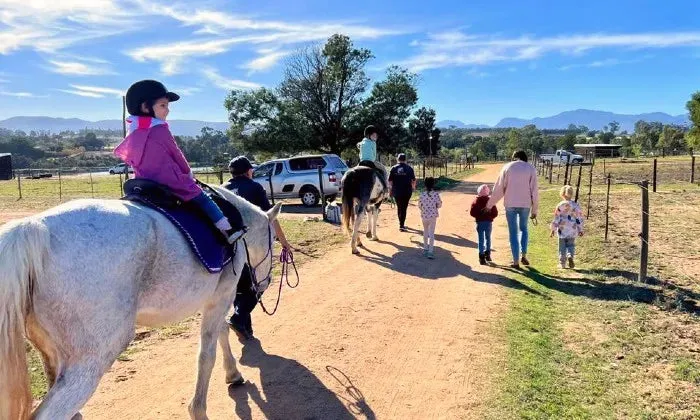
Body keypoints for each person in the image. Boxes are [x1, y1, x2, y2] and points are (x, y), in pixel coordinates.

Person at [114, 79, 245, 244]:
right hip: (170, 180)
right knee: (203, 198)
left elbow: (133, 159)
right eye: (163, 105)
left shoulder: (133, 131)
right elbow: (176, 154)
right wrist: (188, 173)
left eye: (167, 106)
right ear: (146, 107)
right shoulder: (159, 129)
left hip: (143, 180)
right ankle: (227, 228)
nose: (167, 111)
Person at [223, 156, 292, 340]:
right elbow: (270, 218)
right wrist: (284, 242)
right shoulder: (255, 188)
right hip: (252, 247)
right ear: (248, 171)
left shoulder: (223, 189)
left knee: (240, 286)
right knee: (261, 282)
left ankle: (245, 330)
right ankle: (238, 318)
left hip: (229, 247)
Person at [486, 150, 539, 269]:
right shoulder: (531, 168)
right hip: (526, 204)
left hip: (510, 203)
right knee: (524, 229)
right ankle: (524, 254)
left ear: (514, 157)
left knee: (513, 232)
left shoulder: (507, 167)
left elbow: (499, 188)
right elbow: (534, 191)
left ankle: (515, 261)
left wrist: (490, 205)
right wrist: (535, 210)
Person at [550, 185, 584, 269]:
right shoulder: (576, 205)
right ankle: (570, 255)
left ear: (562, 194)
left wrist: (553, 229)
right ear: (571, 194)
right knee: (571, 245)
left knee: (562, 247)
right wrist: (580, 229)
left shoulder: (560, 205)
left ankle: (562, 263)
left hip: (562, 229)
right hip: (572, 229)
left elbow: (556, 218)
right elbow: (579, 218)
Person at [469, 184, 499, 265]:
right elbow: (495, 213)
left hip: (480, 222)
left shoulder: (476, 201)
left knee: (481, 239)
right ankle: (488, 254)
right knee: (488, 238)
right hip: (488, 222)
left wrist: (478, 216)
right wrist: (490, 217)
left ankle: (481, 257)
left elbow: (472, 213)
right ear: (488, 192)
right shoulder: (490, 201)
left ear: (479, 192)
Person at [388, 153, 417, 232]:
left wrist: (390, 191)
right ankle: (401, 224)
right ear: (405, 160)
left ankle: (401, 223)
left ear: (398, 159)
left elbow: (390, 181)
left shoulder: (393, 168)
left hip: (397, 191)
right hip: (407, 191)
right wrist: (413, 188)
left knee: (399, 207)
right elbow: (413, 180)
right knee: (404, 207)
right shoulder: (409, 168)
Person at [418, 177, 442, 259]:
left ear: (425, 184)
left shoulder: (422, 194)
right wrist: (434, 207)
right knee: (431, 233)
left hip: (424, 216)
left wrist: (424, 209)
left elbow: (419, 205)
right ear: (433, 184)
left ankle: (425, 248)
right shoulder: (436, 194)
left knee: (425, 231)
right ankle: (430, 251)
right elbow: (439, 205)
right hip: (433, 216)